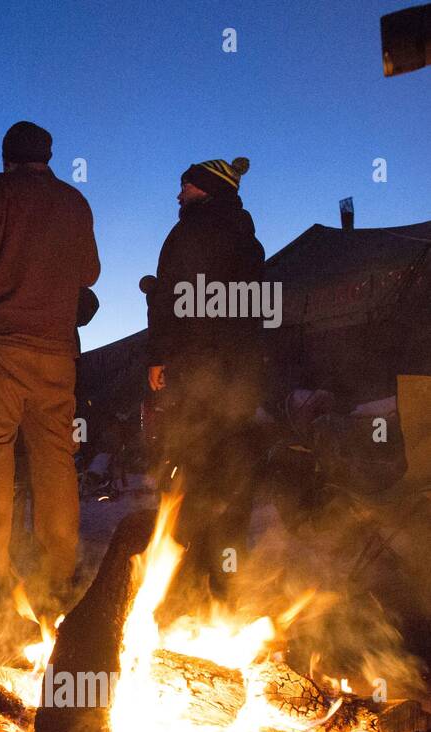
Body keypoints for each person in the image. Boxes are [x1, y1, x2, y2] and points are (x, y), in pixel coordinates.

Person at [0, 121, 100, 615]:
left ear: (6, 156)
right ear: (48, 156)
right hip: (58, 353)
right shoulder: (74, 203)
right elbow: (91, 274)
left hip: (1, 348)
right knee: (56, 461)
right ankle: (59, 577)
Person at [145, 156, 265, 600]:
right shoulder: (249, 243)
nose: (179, 195)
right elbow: (255, 313)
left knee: (188, 468)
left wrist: (158, 356)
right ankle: (226, 579)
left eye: (186, 186)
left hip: (197, 371)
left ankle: (183, 577)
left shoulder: (188, 233)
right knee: (232, 474)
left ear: (206, 189)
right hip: (240, 377)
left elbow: (170, 297)